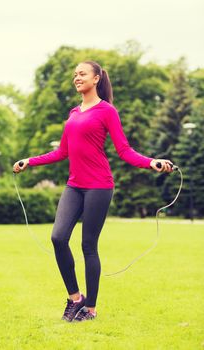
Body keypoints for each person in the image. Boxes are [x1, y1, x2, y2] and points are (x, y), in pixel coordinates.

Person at [13, 61, 173, 322]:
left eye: (82, 74)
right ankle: (76, 298)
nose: (77, 78)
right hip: (74, 185)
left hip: (99, 185)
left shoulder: (106, 111)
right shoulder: (74, 112)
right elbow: (62, 152)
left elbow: (124, 150)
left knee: (89, 245)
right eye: (75, 74)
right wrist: (30, 161)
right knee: (58, 237)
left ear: (96, 78)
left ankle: (90, 309)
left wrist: (151, 162)